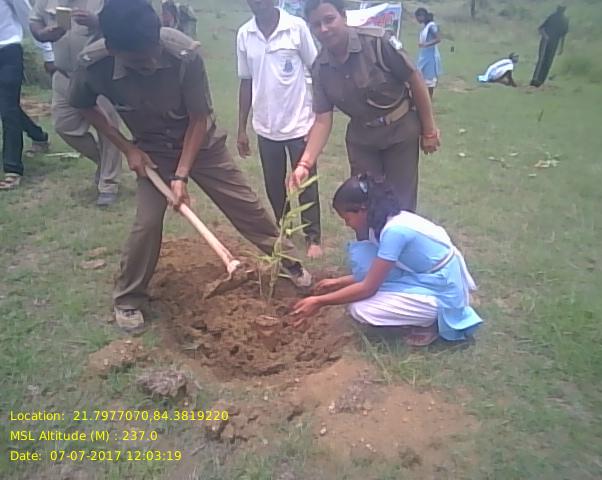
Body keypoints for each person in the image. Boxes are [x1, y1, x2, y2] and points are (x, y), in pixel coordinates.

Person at [68, 0, 311, 332]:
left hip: (202, 145)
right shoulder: (92, 65)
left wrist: (181, 174)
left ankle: (289, 263)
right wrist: (128, 149)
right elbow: (83, 106)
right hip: (152, 151)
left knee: (245, 205)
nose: (150, 63)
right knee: (146, 224)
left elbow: (199, 118)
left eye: (153, 53)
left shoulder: (184, 54)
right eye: (139, 61)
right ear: (113, 50)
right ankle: (128, 298)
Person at [293, 175, 483, 347]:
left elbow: (368, 287)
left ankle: (432, 322)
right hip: (425, 277)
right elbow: (382, 271)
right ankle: (422, 315)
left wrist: (319, 301)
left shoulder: (394, 232)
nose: (346, 224)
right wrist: (339, 282)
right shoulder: (383, 224)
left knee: (361, 308)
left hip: (443, 289)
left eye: (347, 218)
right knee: (365, 285)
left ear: (362, 210)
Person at [288, 0, 440, 214]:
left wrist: (429, 130)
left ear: (343, 16)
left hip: (399, 132)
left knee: (400, 207)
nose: (324, 29)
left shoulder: (377, 42)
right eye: (316, 25)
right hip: (362, 141)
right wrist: (304, 164)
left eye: (329, 20)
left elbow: (414, 78)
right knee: (365, 206)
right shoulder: (320, 68)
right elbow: (322, 120)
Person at [237, 0, 323, 258]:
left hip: (299, 123)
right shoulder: (245, 34)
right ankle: (284, 230)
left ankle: (313, 238)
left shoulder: (296, 28)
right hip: (266, 125)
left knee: (305, 182)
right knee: (274, 184)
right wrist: (241, 128)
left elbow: (316, 69)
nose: (258, 3)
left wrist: (319, 115)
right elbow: (245, 82)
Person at [30, 0, 123, 206]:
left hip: (99, 72)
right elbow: (34, 21)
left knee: (107, 128)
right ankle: (104, 162)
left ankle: (108, 184)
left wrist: (98, 22)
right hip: (64, 74)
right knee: (64, 125)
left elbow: (127, 24)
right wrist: (43, 34)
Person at [0, 0, 53, 190]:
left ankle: (12, 169)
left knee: (8, 109)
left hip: (8, 51)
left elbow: (29, 20)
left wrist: (48, 54)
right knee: (7, 106)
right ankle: (38, 136)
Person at [530, 5, 569, 87]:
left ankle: (540, 82)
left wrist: (561, 47)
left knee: (548, 62)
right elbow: (541, 28)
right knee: (542, 60)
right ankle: (535, 79)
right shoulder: (552, 17)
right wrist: (545, 36)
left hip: (554, 43)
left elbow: (563, 35)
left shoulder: (565, 20)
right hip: (546, 41)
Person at [414, 8, 442, 98]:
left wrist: (425, 44)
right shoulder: (426, 27)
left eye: (417, 17)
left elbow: (438, 38)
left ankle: (428, 100)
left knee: (429, 81)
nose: (417, 20)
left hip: (430, 57)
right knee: (421, 78)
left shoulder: (431, 26)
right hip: (424, 56)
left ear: (422, 16)